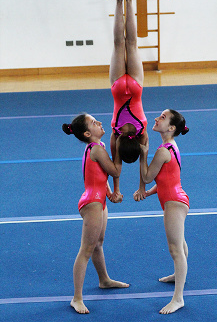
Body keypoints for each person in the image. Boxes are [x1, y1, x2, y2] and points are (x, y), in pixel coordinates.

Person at [62, 113, 129, 314]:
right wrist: (120, 150)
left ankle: (104, 280)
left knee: (98, 244)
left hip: (99, 199)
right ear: (87, 133)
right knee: (86, 250)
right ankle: (77, 298)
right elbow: (115, 171)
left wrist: (109, 193)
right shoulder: (97, 149)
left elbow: (99, 175)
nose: (99, 122)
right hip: (92, 202)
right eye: (94, 122)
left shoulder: (95, 148)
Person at [139, 109, 189, 314]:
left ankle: (178, 299)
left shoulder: (162, 151)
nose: (156, 118)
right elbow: (166, 179)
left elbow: (148, 176)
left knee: (175, 249)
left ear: (171, 128)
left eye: (162, 117)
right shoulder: (170, 146)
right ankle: (179, 276)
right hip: (176, 197)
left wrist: (143, 155)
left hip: (173, 202)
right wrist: (149, 194)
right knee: (181, 244)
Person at [110, 0, 148, 202]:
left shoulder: (142, 134)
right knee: (119, 44)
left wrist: (142, 186)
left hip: (134, 87)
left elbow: (143, 158)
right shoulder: (115, 134)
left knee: (130, 44)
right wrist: (117, 190)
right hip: (117, 88)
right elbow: (116, 166)